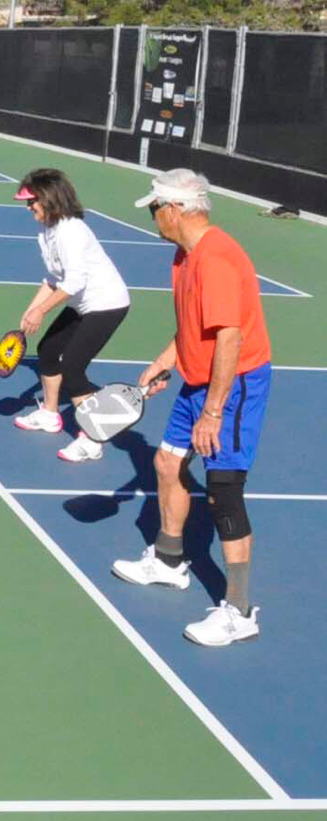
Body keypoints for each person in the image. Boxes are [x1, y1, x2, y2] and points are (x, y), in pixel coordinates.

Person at [111, 169, 274, 648]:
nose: (154, 218)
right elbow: (195, 327)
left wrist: (213, 412)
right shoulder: (184, 257)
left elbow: (229, 336)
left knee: (223, 490)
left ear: (176, 209)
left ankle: (239, 611)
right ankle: (168, 561)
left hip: (234, 385)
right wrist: (168, 361)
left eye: (156, 209)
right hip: (199, 379)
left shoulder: (217, 259)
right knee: (167, 462)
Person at [9, 169, 132, 462]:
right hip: (82, 303)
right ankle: (51, 414)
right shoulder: (48, 232)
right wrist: (32, 308)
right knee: (48, 350)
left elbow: (74, 281)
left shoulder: (70, 231)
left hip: (107, 303)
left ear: (49, 199)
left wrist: (42, 309)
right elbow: (53, 278)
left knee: (74, 370)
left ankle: (92, 439)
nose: (28, 208)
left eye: (32, 202)